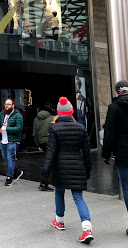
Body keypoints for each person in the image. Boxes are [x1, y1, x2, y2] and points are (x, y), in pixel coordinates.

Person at [42, 97, 93, 244]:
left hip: (60, 167)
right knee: (78, 197)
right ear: (71, 111)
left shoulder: (54, 128)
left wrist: (45, 171)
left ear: (58, 112)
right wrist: (87, 169)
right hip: (78, 166)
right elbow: (87, 152)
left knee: (59, 192)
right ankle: (87, 228)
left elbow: (50, 152)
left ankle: (59, 221)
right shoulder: (81, 128)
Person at [101, 79, 128, 235]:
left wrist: (106, 153)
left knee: (126, 187)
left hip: (123, 153)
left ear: (118, 91)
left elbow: (109, 132)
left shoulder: (114, 107)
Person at [0, 98, 24, 186]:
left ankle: (9, 177)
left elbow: (19, 128)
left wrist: (6, 128)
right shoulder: (2, 113)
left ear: (13, 105)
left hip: (13, 140)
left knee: (10, 158)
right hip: (3, 140)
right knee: (6, 158)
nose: (6, 106)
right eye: (5, 104)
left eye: (8, 104)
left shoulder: (18, 115)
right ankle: (18, 171)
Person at [33, 103, 57, 191]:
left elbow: (35, 133)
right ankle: (45, 182)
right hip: (51, 142)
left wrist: (38, 144)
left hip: (42, 143)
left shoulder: (36, 119)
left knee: (48, 161)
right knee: (51, 162)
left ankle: (46, 182)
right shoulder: (53, 118)